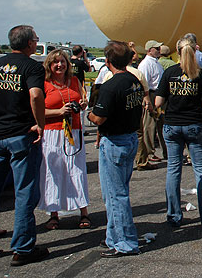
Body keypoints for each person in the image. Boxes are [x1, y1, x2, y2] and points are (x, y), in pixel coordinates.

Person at [0, 25, 48, 266]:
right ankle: (22, 248)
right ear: (30, 44)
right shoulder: (32, 67)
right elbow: (35, 95)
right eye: (35, 39)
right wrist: (40, 123)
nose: (36, 42)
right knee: (24, 192)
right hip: (20, 136)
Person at [155, 37, 202, 229]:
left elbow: (158, 102)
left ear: (177, 52)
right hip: (194, 124)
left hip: (172, 125)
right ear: (195, 52)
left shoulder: (170, 72)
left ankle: (174, 215)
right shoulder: (200, 75)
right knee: (201, 169)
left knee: (173, 170)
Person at [88, 41, 146, 257]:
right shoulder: (134, 81)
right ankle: (113, 236)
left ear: (107, 61)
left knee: (116, 194)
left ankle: (125, 242)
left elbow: (99, 117)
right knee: (114, 192)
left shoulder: (111, 86)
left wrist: (89, 115)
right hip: (129, 137)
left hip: (115, 142)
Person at [39, 49, 91, 230]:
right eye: (56, 62)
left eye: (63, 62)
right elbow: (37, 111)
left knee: (76, 170)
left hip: (73, 131)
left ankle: (83, 212)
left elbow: (82, 100)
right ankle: (53, 214)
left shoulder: (75, 81)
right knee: (53, 172)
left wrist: (83, 104)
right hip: (52, 132)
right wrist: (59, 112)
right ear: (49, 65)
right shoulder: (44, 84)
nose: (60, 65)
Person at [138, 40, 164, 165]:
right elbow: (144, 83)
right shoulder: (145, 64)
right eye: (157, 48)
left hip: (158, 94)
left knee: (160, 124)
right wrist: (147, 100)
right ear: (149, 50)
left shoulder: (155, 62)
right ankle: (149, 151)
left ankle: (164, 150)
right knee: (149, 124)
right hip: (151, 94)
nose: (159, 50)